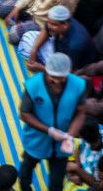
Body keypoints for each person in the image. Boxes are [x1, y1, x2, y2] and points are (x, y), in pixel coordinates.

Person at [18, 52, 87, 191]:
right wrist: (49, 131)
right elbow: (24, 114)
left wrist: (69, 135)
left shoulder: (78, 85)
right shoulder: (34, 85)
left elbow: (81, 113)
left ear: (67, 74)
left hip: (61, 145)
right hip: (36, 139)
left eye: (60, 78)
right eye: (52, 77)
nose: (55, 81)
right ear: (46, 70)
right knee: (25, 174)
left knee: (56, 184)